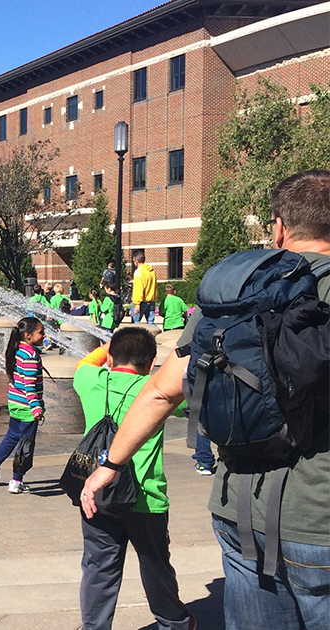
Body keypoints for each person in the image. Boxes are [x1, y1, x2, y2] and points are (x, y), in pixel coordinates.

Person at [81, 170, 330, 630]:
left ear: (278, 227)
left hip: (241, 514)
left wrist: (109, 466)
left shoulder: (240, 292)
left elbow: (159, 390)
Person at [73, 329, 193, 630]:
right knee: (155, 566)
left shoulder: (92, 381)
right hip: (146, 498)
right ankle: (174, 622)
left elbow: (85, 363)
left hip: (98, 493)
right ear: (152, 362)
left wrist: (107, 347)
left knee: (98, 568)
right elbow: (190, 401)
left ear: (111, 357)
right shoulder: (155, 389)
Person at [0, 316, 45, 494]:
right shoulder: (31, 356)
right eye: (41, 333)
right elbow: (29, 385)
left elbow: (16, 379)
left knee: (11, 436)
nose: (44, 336)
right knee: (25, 446)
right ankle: (16, 481)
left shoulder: (16, 351)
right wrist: (36, 408)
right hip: (28, 408)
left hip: (15, 403)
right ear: (28, 335)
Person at [130, 250, 157, 324]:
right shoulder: (152, 271)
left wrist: (137, 304)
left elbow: (138, 289)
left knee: (136, 323)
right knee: (151, 322)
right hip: (151, 300)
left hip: (142, 301)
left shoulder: (138, 272)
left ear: (136, 261)